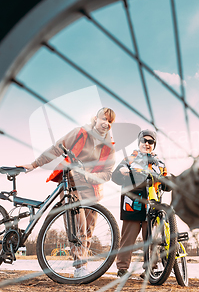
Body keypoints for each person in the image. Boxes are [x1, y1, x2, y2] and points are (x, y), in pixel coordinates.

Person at [19, 107, 116, 277]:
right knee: (78, 224)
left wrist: (88, 176)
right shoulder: (80, 133)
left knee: (88, 231)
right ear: (95, 118)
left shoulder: (110, 148)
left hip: (92, 188)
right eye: (103, 118)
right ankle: (80, 266)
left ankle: (82, 262)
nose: (106, 123)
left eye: (109, 121)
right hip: (71, 183)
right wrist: (34, 164)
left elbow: (107, 173)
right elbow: (56, 148)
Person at [111, 129, 169, 278]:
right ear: (139, 142)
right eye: (144, 141)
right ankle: (122, 269)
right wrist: (122, 171)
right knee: (127, 240)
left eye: (150, 142)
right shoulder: (129, 159)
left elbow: (166, 181)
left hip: (153, 206)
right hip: (132, 204)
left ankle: (150, 270)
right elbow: (115, 176)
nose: (147, 144)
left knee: (152, 240)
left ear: (154, 144)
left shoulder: (160, 163)